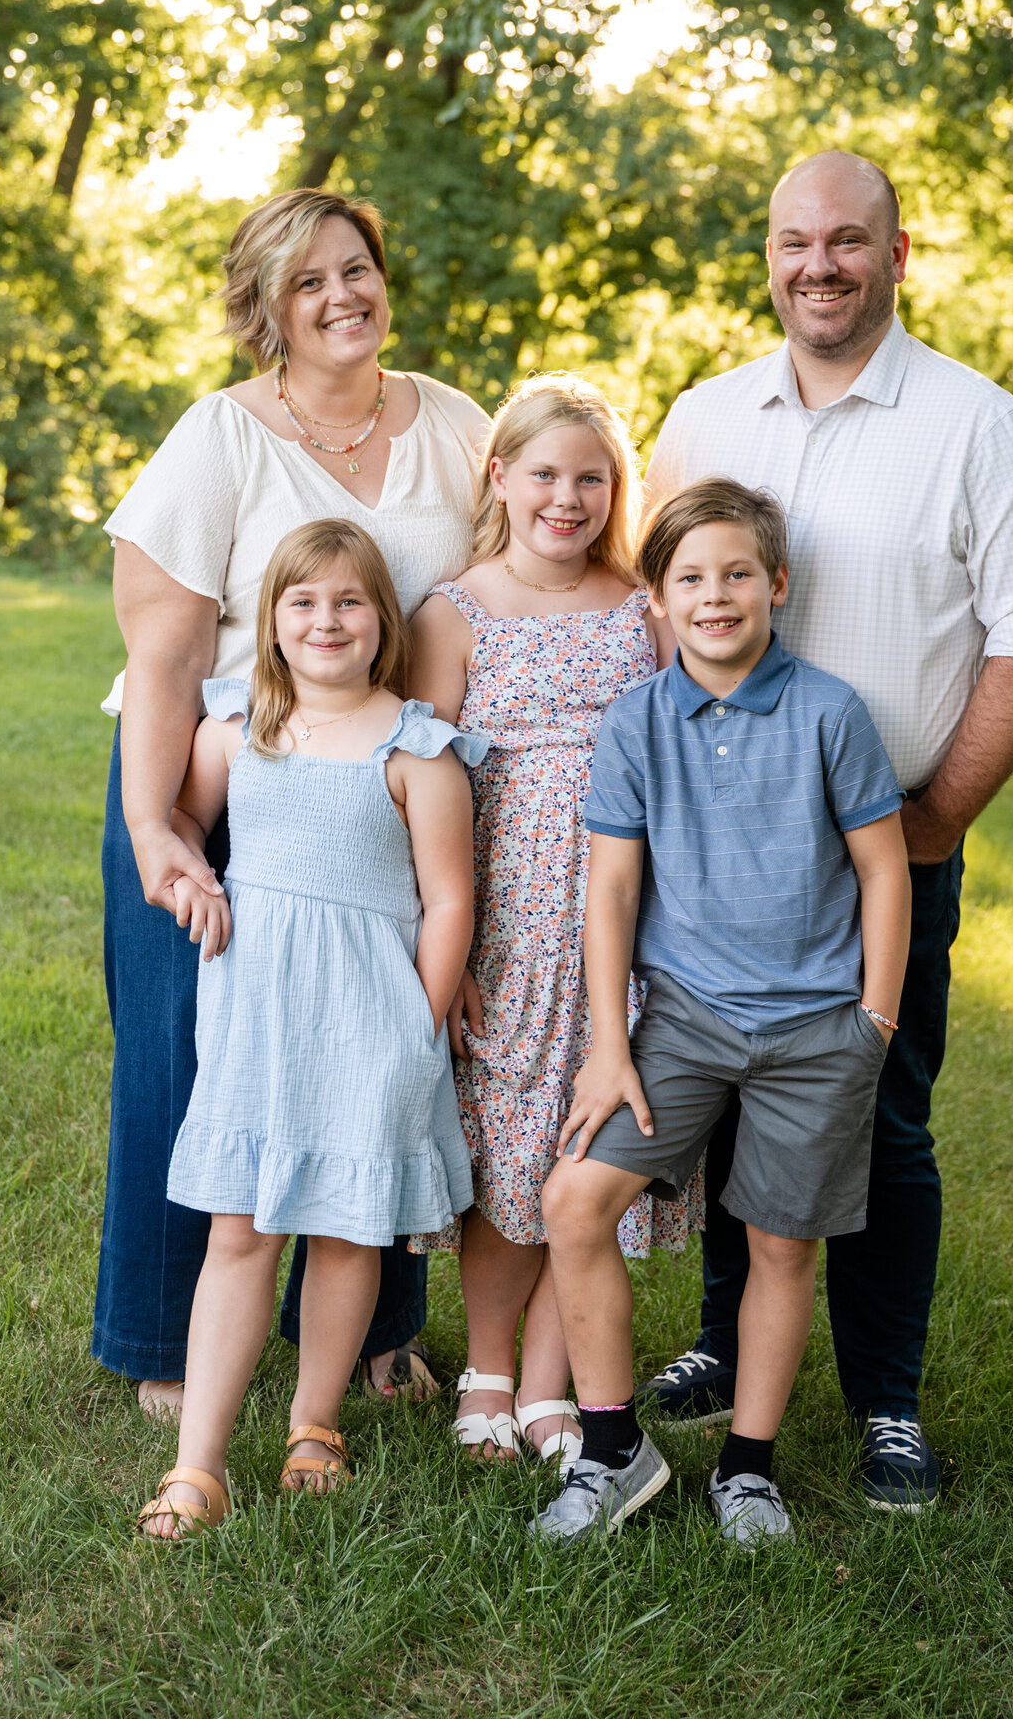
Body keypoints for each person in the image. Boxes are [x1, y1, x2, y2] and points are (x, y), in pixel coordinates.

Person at [639, 151, 1013, 1509]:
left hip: (885, 855)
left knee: (883, 1116)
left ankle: (886, 1400)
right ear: (765, 254)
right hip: (712, 857)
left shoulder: (978, 425)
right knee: (715, 1107)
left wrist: (940, 815)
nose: (818, 264)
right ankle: (721, 1342)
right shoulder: (707, 418)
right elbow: (649, 610)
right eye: (794, 241)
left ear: (900, 252)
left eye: (847, 240)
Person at [95, 188, 489, 1418]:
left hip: (388, 786)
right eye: (310, 278)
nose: (342, 295)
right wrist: (160, 826)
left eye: (358, 267)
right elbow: (163, 657)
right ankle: (168, 1340)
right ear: (267, 305)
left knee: (380, 1051)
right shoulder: (219, 437)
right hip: (220, 778)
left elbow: (512, 578)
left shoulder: (456, 425)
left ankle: (374, 1336)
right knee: (188, 1059)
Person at [531, 480, 911, 1547]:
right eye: (689, 578)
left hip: (816, 1032)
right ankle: (613, 1450)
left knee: (781, 1247)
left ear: (776, 587)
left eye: (737, 574)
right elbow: (609, 891)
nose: (715, 595)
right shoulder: (638, 719)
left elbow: (886, 873)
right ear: (656, 599)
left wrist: (872, 1023)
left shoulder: (830, 712)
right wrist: (611, 1043)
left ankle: (748, 1470)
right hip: (685, 1021)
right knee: (574, 1203)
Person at [138, 519, 483, 1538]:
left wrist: (417, 1028)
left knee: (343, 1231)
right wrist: (192, 874)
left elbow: (451, 901)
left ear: (383, 621)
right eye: (303, 602)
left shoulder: (418, 750)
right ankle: (198, 1463)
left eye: (348, 602)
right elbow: (189, 821)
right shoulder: (236, 728)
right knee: (241, 1230)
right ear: (272, 621)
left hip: (374, 1024)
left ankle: (314, 1423)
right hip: (259, 1018)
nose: (325, 620)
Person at [408, 374, 699, 1468]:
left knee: (585, 1144)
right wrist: (446, 941)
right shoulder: (454, 608)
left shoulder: (641, 608)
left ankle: (549, 1380)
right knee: (504, 1143)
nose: (567, 497)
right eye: (544, 473)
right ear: (500, 477)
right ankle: (487, 1366)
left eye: (592, 477)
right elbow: (421, 776)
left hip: (626, 920)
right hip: (502, 924)